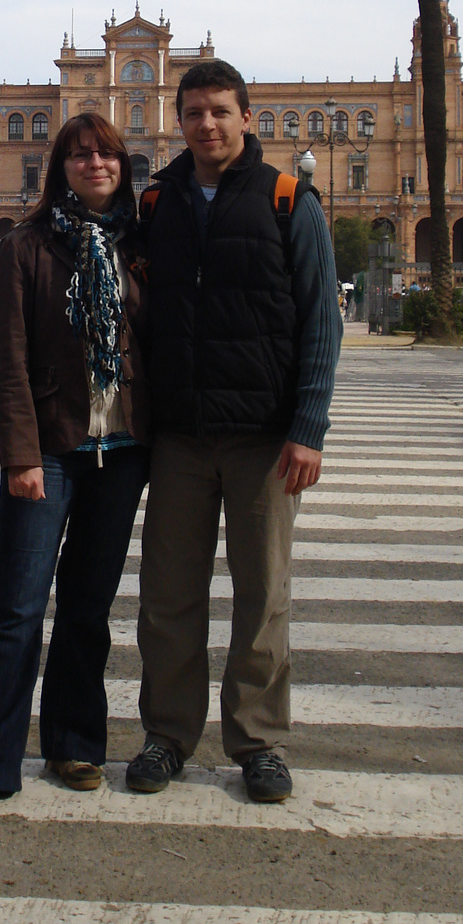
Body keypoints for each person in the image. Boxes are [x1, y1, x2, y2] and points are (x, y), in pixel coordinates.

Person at [127, 59, 341, 805]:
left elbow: (322, 319)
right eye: (194, 112)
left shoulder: (289, 200)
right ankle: (168, 734)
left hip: (263, 437)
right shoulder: (156, 203)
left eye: (221, 111)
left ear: (247, 118)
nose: (207, 124)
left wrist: (308, 427)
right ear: (177, 119)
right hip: (181, 437)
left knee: (263, 595)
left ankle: (257, 740)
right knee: (168, 595)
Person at [0, 113, 150, 819]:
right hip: (51, 451)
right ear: (59, 166)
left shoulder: (141, 246)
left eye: (107, 154)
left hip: (120, 451)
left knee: (88, 609)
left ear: (124, 165)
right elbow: (9, 365)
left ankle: (74, 742)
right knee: (16, 604)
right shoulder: (24, 248)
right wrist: (20, 456)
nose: (95, 164)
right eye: (80, 154)